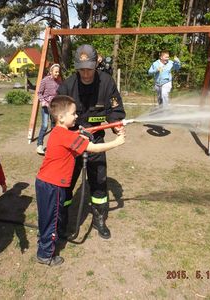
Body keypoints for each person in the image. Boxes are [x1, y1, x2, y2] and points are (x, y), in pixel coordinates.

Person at [36, 95, 125, 266]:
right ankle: (46, 254)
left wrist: (82, 137)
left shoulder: (58, 132)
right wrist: (117, 142)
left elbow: (72, 143)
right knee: (52, 219)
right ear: (61, 117)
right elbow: (93, 148)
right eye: (73, 114)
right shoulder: (67, 136)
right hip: (53, 185)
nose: (77, 117)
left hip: (45, 182)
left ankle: (44, 241)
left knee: (47, 218)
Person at [57, 44, 126, 240]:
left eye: (89, 68)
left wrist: (116, 126)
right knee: (66, 183)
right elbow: (57, 115)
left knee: (99, 182)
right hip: (72, 142)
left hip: (96, 140)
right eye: (81, 69)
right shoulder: (67, 86)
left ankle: (99, 219)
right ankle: (61, 221)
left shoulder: (107, 83)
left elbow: (116, 111)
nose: (85, 74)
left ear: (97, 64)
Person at [36, 63, 61, 155]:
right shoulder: (45, 80)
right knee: (45, 126)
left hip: (55, 107)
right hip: (46, 106)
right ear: (51, 72)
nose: (57, 73)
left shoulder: (59, 81)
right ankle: (39, 145)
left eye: (58, 72)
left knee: (54, 127)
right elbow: (39, 93)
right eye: (56, 72)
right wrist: (43, 102)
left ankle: (53, 145)